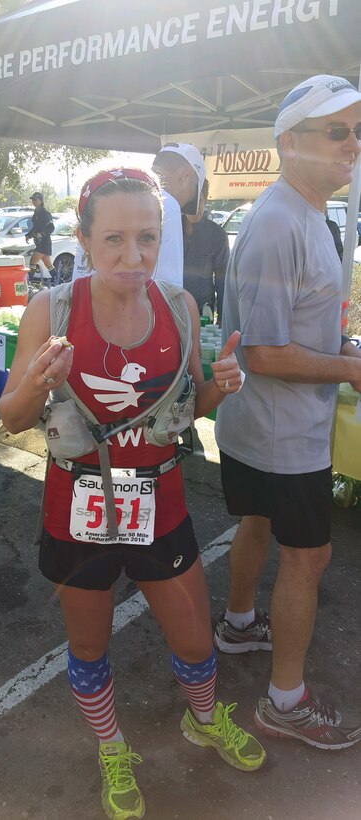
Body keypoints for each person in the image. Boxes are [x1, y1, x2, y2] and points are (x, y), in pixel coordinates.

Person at [0, 167, 266, 820]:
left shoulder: (176, 306)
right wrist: (35, 382)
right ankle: (111, 745)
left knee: (196, 641)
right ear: (85, 239)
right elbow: (10, 417)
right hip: (75, 505)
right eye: (114, 239)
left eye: (146, 238)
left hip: (160, 501)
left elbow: (187, 411)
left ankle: (202, 719)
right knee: (89, 647)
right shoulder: (51, 310)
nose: (133, 256)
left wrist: (220, 385)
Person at [214, 75, 361, 749]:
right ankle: (284, 701)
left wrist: (340, 344)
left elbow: (286, 333)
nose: (352, 145)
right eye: (338, 131)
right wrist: (350, 367)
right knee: (309, 558)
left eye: (356, 132)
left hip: (261, 428)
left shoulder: (301, 215)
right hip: (282, 435)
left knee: (256, 521)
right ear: (289, 143)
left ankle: (239, 624)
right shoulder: (278, 222)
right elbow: (265, 353)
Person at [152, 142, 205, 285]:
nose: (188, 201)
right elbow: (170, 288)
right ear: (185, 176)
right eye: (194, 188)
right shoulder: (168, 204)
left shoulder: (123, 191)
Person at [183, 179, 229, 324]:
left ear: (206, 199)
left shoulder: (217, 235)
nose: (196, 207)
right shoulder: (169, 230)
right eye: (191, 201)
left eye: (200, 200)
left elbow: (223, 282)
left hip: (203, 313)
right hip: (172, 309)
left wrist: (221, 320)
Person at [26, 191, 56, 281]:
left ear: (41, 201)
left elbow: (51, 228)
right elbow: (35, 227)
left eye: (35, 199)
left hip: (44, 243)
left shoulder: (45, 213)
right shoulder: (36, 213)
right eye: (32, 199)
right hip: (39, 243)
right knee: (48, 265)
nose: (33, 201)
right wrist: (28, 235)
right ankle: (58, 281)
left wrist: (41, 234)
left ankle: (29, 283)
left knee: (32, 262)